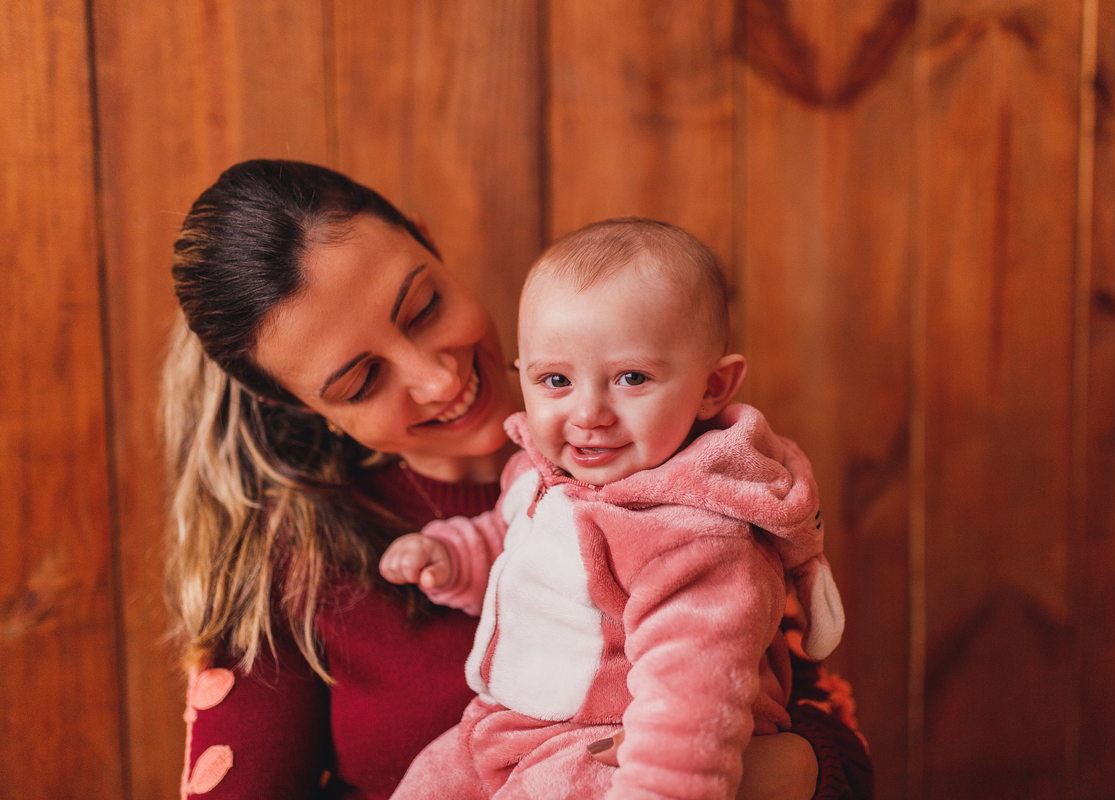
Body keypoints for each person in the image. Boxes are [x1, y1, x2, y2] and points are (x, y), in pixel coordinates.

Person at [165, 160, 872, 800]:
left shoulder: (688, 472)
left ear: (429, 243)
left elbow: (825, 730)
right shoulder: (285, 562)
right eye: (363, 380)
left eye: (423, 308)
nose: (438, 378)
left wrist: (770, 770)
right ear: (300, 406)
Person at [383, 219, 845, 799]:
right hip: (503, 725)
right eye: (556, 379)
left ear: (713, 387)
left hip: (615, 741)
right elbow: (527, 552)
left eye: (631, 378)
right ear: (522, 376)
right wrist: (454, 556)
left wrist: (659, 788)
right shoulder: (539, 474)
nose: (589, 413)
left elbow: (693, 701)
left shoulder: (694, 537)